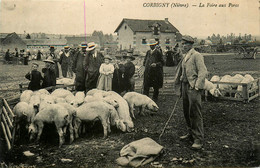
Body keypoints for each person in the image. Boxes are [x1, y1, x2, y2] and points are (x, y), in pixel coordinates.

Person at [174, 35, 208, 150]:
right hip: (184, 86)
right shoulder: (185, 56)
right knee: (186, 111)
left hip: (193, 88)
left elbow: (203, 72)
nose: (182, 46)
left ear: (190, 44)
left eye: (185, 44)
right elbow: (181, 72)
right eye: (182, 44)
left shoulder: (196, 55)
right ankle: (190, 134)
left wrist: (197, 86)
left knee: (195, 112)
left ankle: (198, 139)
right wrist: (179, 87)